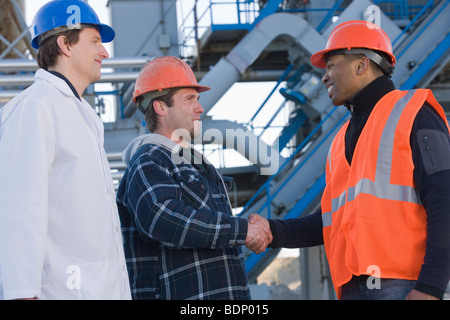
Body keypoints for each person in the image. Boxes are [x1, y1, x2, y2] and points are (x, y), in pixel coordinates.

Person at [248, 20, 450, 300]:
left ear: (361, 64)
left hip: (404, 284)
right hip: (353, 286)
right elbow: (330, 222)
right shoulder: (341, 139)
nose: (324, 76)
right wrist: (272, 231)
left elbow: (444, 198)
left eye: (331, 65)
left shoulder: (415, 112)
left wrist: (431, 287)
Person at [0, 0, 131, 300]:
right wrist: (22, 294)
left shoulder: (85, 116)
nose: (104, 52)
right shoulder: (35, 107)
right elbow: (20, 209)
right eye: (95, 41)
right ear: (65, 45)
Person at [116, 56, 272, 300]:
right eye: (189, 99)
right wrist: (241, 230)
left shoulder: (193, 163)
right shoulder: (149, 159)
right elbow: (162, 218)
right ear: (160, 107)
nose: (200, 108)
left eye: (197, 99)